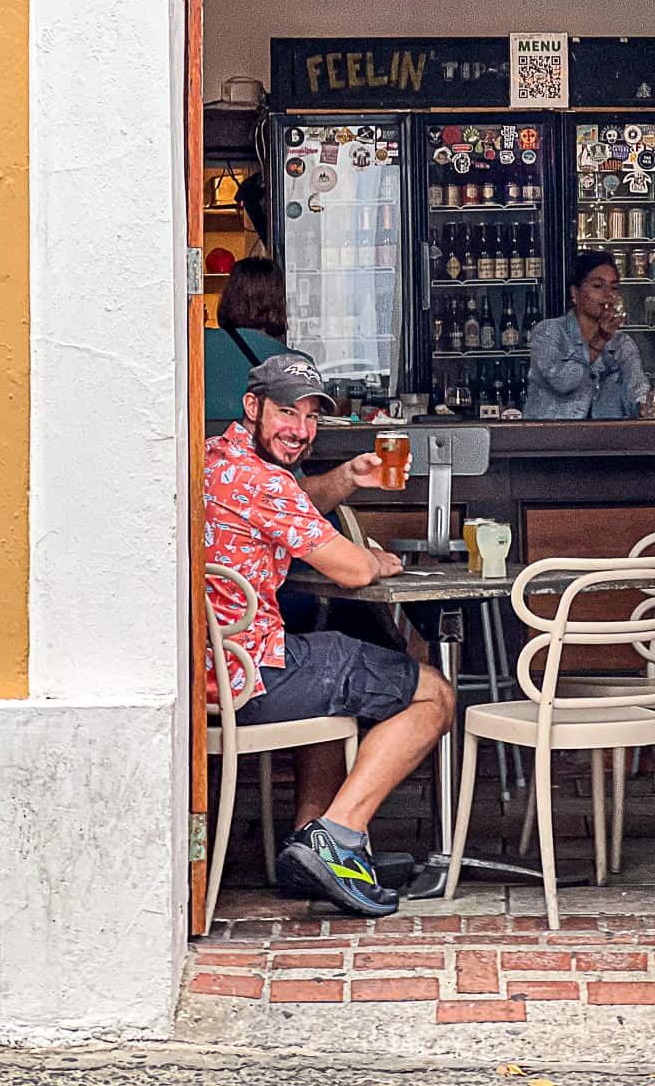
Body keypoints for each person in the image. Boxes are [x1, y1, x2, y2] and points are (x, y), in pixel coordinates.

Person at [205, 354, 455, 918]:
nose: (300, 429)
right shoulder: (263, 480)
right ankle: (338, 836)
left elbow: (286, 506)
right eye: (286, 412)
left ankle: (309, 855)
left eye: (312, 417)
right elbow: (353, 572)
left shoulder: (217, 457)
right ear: (253, 407)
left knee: (331, 689)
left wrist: (346, 478)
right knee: (434, 693)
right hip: (253, 674)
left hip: (214, 668)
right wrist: (374, 561)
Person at [523, 250, 649, 419]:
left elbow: (638, 390)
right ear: (575, 293)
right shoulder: (549, 332)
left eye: (614, 287)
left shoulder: (622, 343)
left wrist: (645, 407)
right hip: (551, 439)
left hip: (605, 440)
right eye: (598, 286)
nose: (608, 295)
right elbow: (562, 381)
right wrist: (600, 341)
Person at [204, 257, 303, 423]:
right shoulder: (297, 364)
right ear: (279, 302)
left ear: (229, 297)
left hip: (200, 446)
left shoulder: (195, 346)